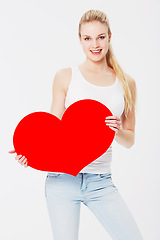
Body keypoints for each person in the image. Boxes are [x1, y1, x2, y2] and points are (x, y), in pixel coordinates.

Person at [8, 9, 143, 240]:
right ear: (79, 39)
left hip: (101, 182)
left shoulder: (126, 82)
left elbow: (129, 139)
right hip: (61, 181)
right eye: (87, 38)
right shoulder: (66, 76)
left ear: (110, 36)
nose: (95, 45)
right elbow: (52, 129)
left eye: (101, 37)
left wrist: (117, 130)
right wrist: (29, 152)